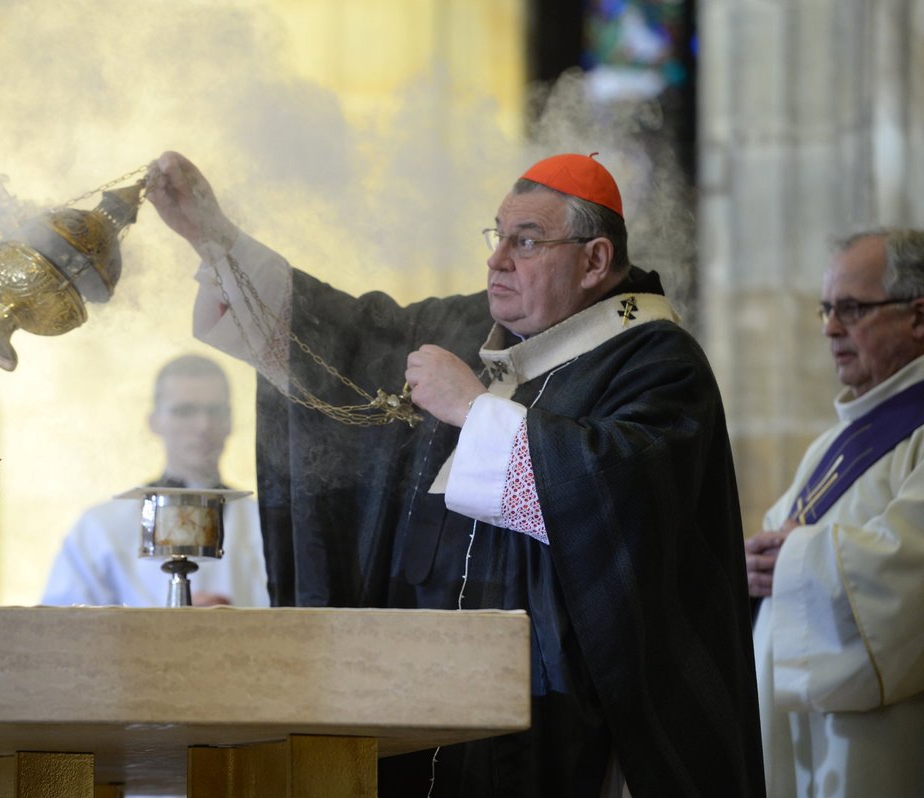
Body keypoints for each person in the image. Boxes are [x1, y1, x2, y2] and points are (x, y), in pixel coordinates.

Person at [145, 150, 765, 797]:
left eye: (526, 241)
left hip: (561, 727)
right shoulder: (471, 328)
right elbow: (344, 341)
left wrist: (473, 410)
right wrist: (216, 240)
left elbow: (621, 507)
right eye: (498, 236)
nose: (498, 260)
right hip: (419, 710)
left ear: (595, 261)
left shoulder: (657, 363)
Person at [746, 229, 924, 797]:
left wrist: (795, 558)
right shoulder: (831, 444)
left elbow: (908, 573)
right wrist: (754, 567)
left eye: (851, 309)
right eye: (826, 309)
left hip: (882, 744)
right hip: (802, 738)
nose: (829, 328)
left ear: (918, 317)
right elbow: (780, 542)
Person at [41, 354, 269, 608]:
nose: (203, 425)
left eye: (215, 412)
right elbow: (62, 627)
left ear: (230, 422)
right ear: (155, 421)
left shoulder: (265, 526)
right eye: (185, 411)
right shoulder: (100, 529)